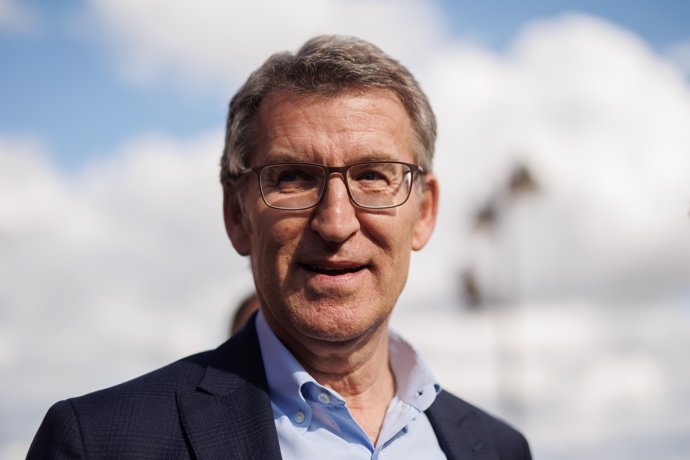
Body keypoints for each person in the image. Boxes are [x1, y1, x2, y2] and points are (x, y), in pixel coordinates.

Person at [28, 35, 531, 459]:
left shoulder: (498, 448)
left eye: (373, 176)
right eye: (293, 178)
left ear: (423, 212)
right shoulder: (100, 443)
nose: (335, 223)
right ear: (236, 214)